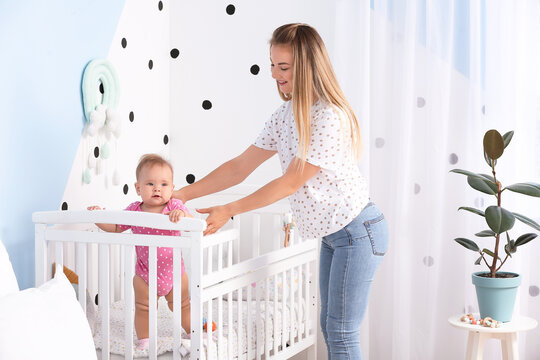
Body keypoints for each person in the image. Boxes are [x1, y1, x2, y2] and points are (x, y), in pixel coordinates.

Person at [173, 23, 388, 359]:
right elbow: (240, 166)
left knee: (342, 332)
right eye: (272, 64)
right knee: (331, 326)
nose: (274, 74)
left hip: (357, 231)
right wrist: (185, 193)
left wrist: (229, 209)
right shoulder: (285, 115)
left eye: (283, 67)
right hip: (335, 235)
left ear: (307, 67)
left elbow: (290, 181)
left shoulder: (330, 118)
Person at [88, 154, 191, 351]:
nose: (157, 188)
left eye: (164, 184)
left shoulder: (173, 207)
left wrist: (182, 216)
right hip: (145, 274)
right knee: (143, 308)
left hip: (174, 272)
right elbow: (116, 227)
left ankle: (193, 331)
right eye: (150, 183)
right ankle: (144, 339)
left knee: (182, 305)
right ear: (138, 188)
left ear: (172, 188)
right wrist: (98, 216)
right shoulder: (134, 211)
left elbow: (190, 222)